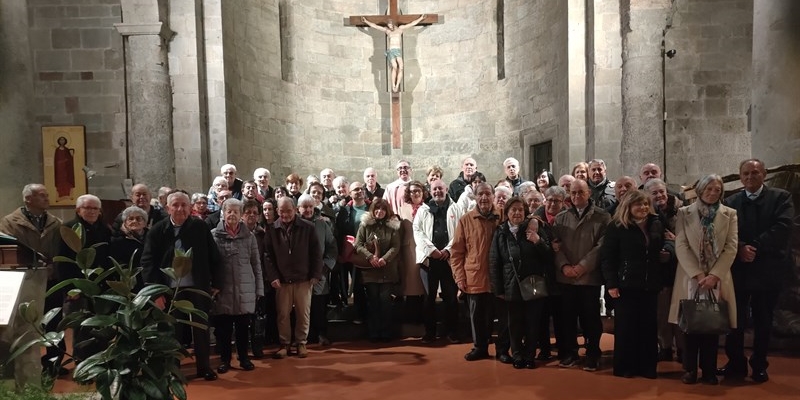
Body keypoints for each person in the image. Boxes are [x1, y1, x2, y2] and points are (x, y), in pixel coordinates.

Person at [719, 159, 794, 383]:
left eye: (755, 173)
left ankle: (760, 365)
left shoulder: (781, 198)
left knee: (763, 320)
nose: (750, 177)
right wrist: (741, 248)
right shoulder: (731, 201)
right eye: (745, 173)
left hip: (768, 269)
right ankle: (736, 363)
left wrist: (755, 247)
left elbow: (783, 227)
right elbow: (725, 232)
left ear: (764, 174)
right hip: (739, 270)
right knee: (735, 320)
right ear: (740, 177)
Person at [141, 191, 221, 381]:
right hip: (169, 290)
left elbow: (214, 256)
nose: (180, 209)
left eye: (184, 205)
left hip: (196, 287)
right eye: (175, 205)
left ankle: (204, 367)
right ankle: (174, 370)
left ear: (190, 207)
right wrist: (155, 293)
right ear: (168, 207)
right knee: (172, 331)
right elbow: (148, 263)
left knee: (201, 328)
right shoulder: (157, 230)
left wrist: (216, 283)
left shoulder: (200, 227)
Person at [668, 174, 738, 385]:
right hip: (691, 277)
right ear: (700, 191)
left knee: (712, 324)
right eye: (709, 189)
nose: (713, 193)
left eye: (717, 190)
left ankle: (708, 369)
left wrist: (714, 275)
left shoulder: (730, 214)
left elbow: (731, 246)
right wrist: (698, 274)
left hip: (718, 275)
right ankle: (689, 369)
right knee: (691, 322)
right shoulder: (684, 213)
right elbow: (681, 245)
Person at [601, 190, 671, 379]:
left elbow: (668, 241)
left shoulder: (656, 223)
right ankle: (625, 367)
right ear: (628, 207)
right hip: (626, 284)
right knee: (626, 328)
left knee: (648, 328)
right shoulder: (617, 226)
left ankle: (647, 368)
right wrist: (611, 284)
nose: (643, 208)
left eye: (646, 204)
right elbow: (608, 258)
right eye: (638, 204)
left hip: (650, 284)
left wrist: (667, 252)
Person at [0, 184, 63, 375]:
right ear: (28, 199)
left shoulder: (55, 222)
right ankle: (25, 365)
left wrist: (54, 265)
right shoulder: (9, 223)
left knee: (54, 322)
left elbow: (61, 248)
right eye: (41, 195)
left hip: (51, 279)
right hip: (23, 281)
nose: (47, 198)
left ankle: (55, 363)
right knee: (26, 325)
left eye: (47, 194)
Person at [551, 179, 611, 372]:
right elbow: (555, 245)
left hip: (588, 277)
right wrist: (564, 266)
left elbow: (602, 246)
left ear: (589, 194)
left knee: (590, 318)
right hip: (566, 277)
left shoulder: (602, 217)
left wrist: (583, 267)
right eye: (573, 193)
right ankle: (571, 353)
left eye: (581, 192)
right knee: (568, 318)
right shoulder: (561, 218)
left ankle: (593, 353)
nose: (576, 196)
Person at [490, 197, 554, 369]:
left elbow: (549, 256)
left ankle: (530, 355)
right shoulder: (500, 232)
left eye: (520, 209)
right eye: (513, 210)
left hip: (532, 284)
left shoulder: (534, 227)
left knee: (533, 323)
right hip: (510, 285)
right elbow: (494, 261)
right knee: (514, 324)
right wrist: (498, 289)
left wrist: (538, 241)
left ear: (525, 212)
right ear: (507, 212)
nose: (517, 213)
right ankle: (517, 355)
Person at [450, 183, 509, 363]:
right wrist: (459, 277)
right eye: (480, 194)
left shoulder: (503, 216)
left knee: (503, 316)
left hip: (499, 277)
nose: (484, 198)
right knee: (477, 318)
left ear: (493, 195)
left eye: (487, 194)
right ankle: (480, 347)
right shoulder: (466, 220)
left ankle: (503, 350)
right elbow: (457, 252)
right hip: (474, 277)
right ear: (475, 197)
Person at [263, 196, 323, 359]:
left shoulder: (308, 228)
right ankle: (284, 344)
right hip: (282, 281)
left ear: (295, 210)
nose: (285, 214)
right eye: (281, 211)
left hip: (304, 279)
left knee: (303, 313)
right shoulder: (271, 229)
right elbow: (268, 256)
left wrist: (315, 274)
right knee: (283, 314)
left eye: (288, 211)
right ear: (277, 211)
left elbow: (316, 253)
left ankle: (301, 343)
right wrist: (273, 276)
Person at [56, 194, 112, 363]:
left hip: (100, 286)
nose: (92, 211)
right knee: (81, 326)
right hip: (78, 287)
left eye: (95, 208)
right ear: (78, 210)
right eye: (87, 208)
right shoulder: (68, 229)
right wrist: (71, 289)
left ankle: (101, 361)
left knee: (100, 324)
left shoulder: (105, 229)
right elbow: (62, 262)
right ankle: (82, 364)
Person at [210, 198, 264, 373]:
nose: (232, 214)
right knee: (224, 330)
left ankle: (244, 358)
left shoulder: (249, 236)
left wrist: (259, 289)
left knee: (243, 328)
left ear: (241, 215)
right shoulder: (213, 235)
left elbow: (256, 264)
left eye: (236, 211)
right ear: (223, 214)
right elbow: (208, 264)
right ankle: (225, 360)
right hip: (223, 290)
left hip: (244, 289)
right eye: (229, 211)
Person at [413, 179, 463, 344]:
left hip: (449, 260)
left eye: (440, 188)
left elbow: (460, 232)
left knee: (450, 297)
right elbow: (417, 231)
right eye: (434, 189)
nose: (437, 192)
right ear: (430, 191)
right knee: (429, 297)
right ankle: (430, 332)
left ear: (446, 189)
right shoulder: (424, 210)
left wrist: (448, 249)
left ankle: (453, 331)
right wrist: (431, 250)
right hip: (429, 260)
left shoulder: (457, 208)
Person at [644, 178, 684, 362]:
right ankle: (665, 347)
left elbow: (690, 240)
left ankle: (683, 349)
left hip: (681, 270)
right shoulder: (648, 214)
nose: (660, 195)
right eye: (654, 193)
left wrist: (674, 244)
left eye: (662, 191)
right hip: (660, 272)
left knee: (681, 311)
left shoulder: (683, 212)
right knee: (662, 312)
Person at [355, 198, 402, 342]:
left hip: (387, 270)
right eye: (377, 208)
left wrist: (384, 259)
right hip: (370, 270)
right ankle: (374, 332)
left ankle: (386, 332)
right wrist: (370, 257)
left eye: (382, 209)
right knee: (373, 301)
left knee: (386, 302)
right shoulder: (365, 225)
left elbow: (396, 246)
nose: (379, 212)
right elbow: (358, 244)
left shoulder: (392, 226)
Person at [298, 195, 338, 346]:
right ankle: (305, 336)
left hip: (320, 272)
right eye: (305, 207)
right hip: (300, 274)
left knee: (319, 305)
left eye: (311, 207)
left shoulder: (322, 225)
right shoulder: (294, 224)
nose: (308, 210)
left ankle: (321, 334)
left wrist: (327, 265)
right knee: (302, 307)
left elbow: (332, 246)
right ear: (298, 208)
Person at [361, 14, 427, 92]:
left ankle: (397, 84)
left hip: (398, 51)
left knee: (401, 67)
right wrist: (366, 21)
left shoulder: (400, 29)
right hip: (391, 51)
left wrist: (421, 18)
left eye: (390, 25)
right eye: (388, 26)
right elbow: (375, 26)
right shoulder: (387, 31)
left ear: (393, 24)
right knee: (395, 67)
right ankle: (393, 85)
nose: (390, 27)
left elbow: (412, 24)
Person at [335, 181, 371, 323]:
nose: (360, 191)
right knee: (354, 283)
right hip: (350, 251)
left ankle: (369, 314)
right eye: (356, 189)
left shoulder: (371, 208)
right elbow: (339, 231)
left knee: (366, 283)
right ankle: (358, 314)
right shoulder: (345, 210)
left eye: (361, 189)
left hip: (368, 251)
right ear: (350, 194)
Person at [397, 180, 428, 324]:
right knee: (410, 283)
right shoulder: (403, 208)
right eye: (412, 191)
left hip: (425, 249)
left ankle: (424, 316)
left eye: (418, 191)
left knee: (423, 283)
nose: (415, 193)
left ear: (423, 193)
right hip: (408, 249)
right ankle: (411, 317)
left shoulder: (428, 207)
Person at [108, 206, 149, 291]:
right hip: (128, 283)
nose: (135, 221)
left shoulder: (152, 238)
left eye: (139, 219)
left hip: (148, 281)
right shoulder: (117, 240)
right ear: (125, 222)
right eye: (130, 219)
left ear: (145, 223)